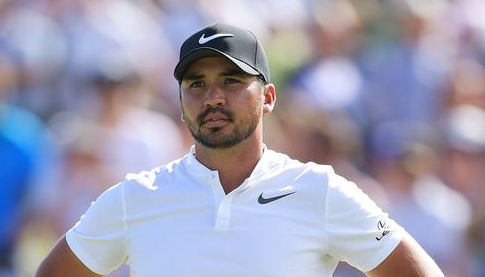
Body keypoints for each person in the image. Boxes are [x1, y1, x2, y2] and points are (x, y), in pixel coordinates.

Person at [36, 23, 444, 277]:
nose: (212, 97)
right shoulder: (137, 197)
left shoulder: (319, 190)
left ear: (267, 97)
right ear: (181, 103)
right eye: (196, 84)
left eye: (231, 81)